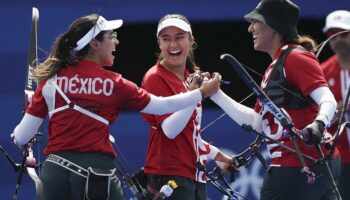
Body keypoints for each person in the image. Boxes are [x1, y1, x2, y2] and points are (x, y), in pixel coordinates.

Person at [11, 14, 222, 200]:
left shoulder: (52, 82)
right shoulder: (114, 83)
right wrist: (201, 93)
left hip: (55, 174)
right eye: (111, 36)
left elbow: (22, 136)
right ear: (94, 43)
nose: (117, 41)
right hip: (97, 175)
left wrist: (21, 139)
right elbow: (161, 105)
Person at [209, 0, 342, 199]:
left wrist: (319, 124)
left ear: (274, 26)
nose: (250, 28)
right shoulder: (275, 66)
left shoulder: (295, 58)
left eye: (256, 21)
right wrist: (214, 94)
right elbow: (257, 122)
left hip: (300, 166)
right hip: (300, 166)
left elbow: (327, 98)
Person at [141, 14, 235, 200]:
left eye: (179, 37)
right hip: (168, 177)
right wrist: (198, 94)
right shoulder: (155, 77)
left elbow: (189, 136)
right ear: (159, 44)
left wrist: (218, 156)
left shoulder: (187, 78)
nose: (173, 45)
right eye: (166, 39)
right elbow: (170, 130)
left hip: (191, 176)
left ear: (192, 41)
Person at [320, 10, 350, 200]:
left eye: (343, 33)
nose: (338, 40)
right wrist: (337, 109)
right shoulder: (322, 72)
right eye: (332, 34)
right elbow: (316, 112)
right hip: (341, 157)